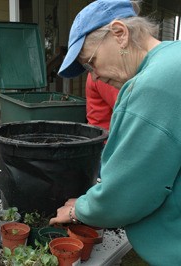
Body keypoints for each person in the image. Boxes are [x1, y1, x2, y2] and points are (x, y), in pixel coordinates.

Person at [49, 0, 181, 264]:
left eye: (91, 62)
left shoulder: (152, 86)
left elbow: (128, 190)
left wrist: (79, 211)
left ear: (120, 33)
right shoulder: (174, 57)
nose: (95, 76)